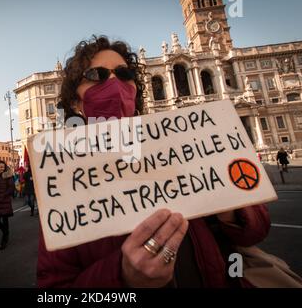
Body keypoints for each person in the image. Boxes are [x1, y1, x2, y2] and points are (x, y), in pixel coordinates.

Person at [36, 36, 271, 288]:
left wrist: (229, 207)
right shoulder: (64, 181)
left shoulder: (186, 142)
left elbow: (256, 229)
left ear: (135, 89)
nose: (114, 82)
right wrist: (122, 275)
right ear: (75, 101)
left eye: (124, 73)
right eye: (96, 75)